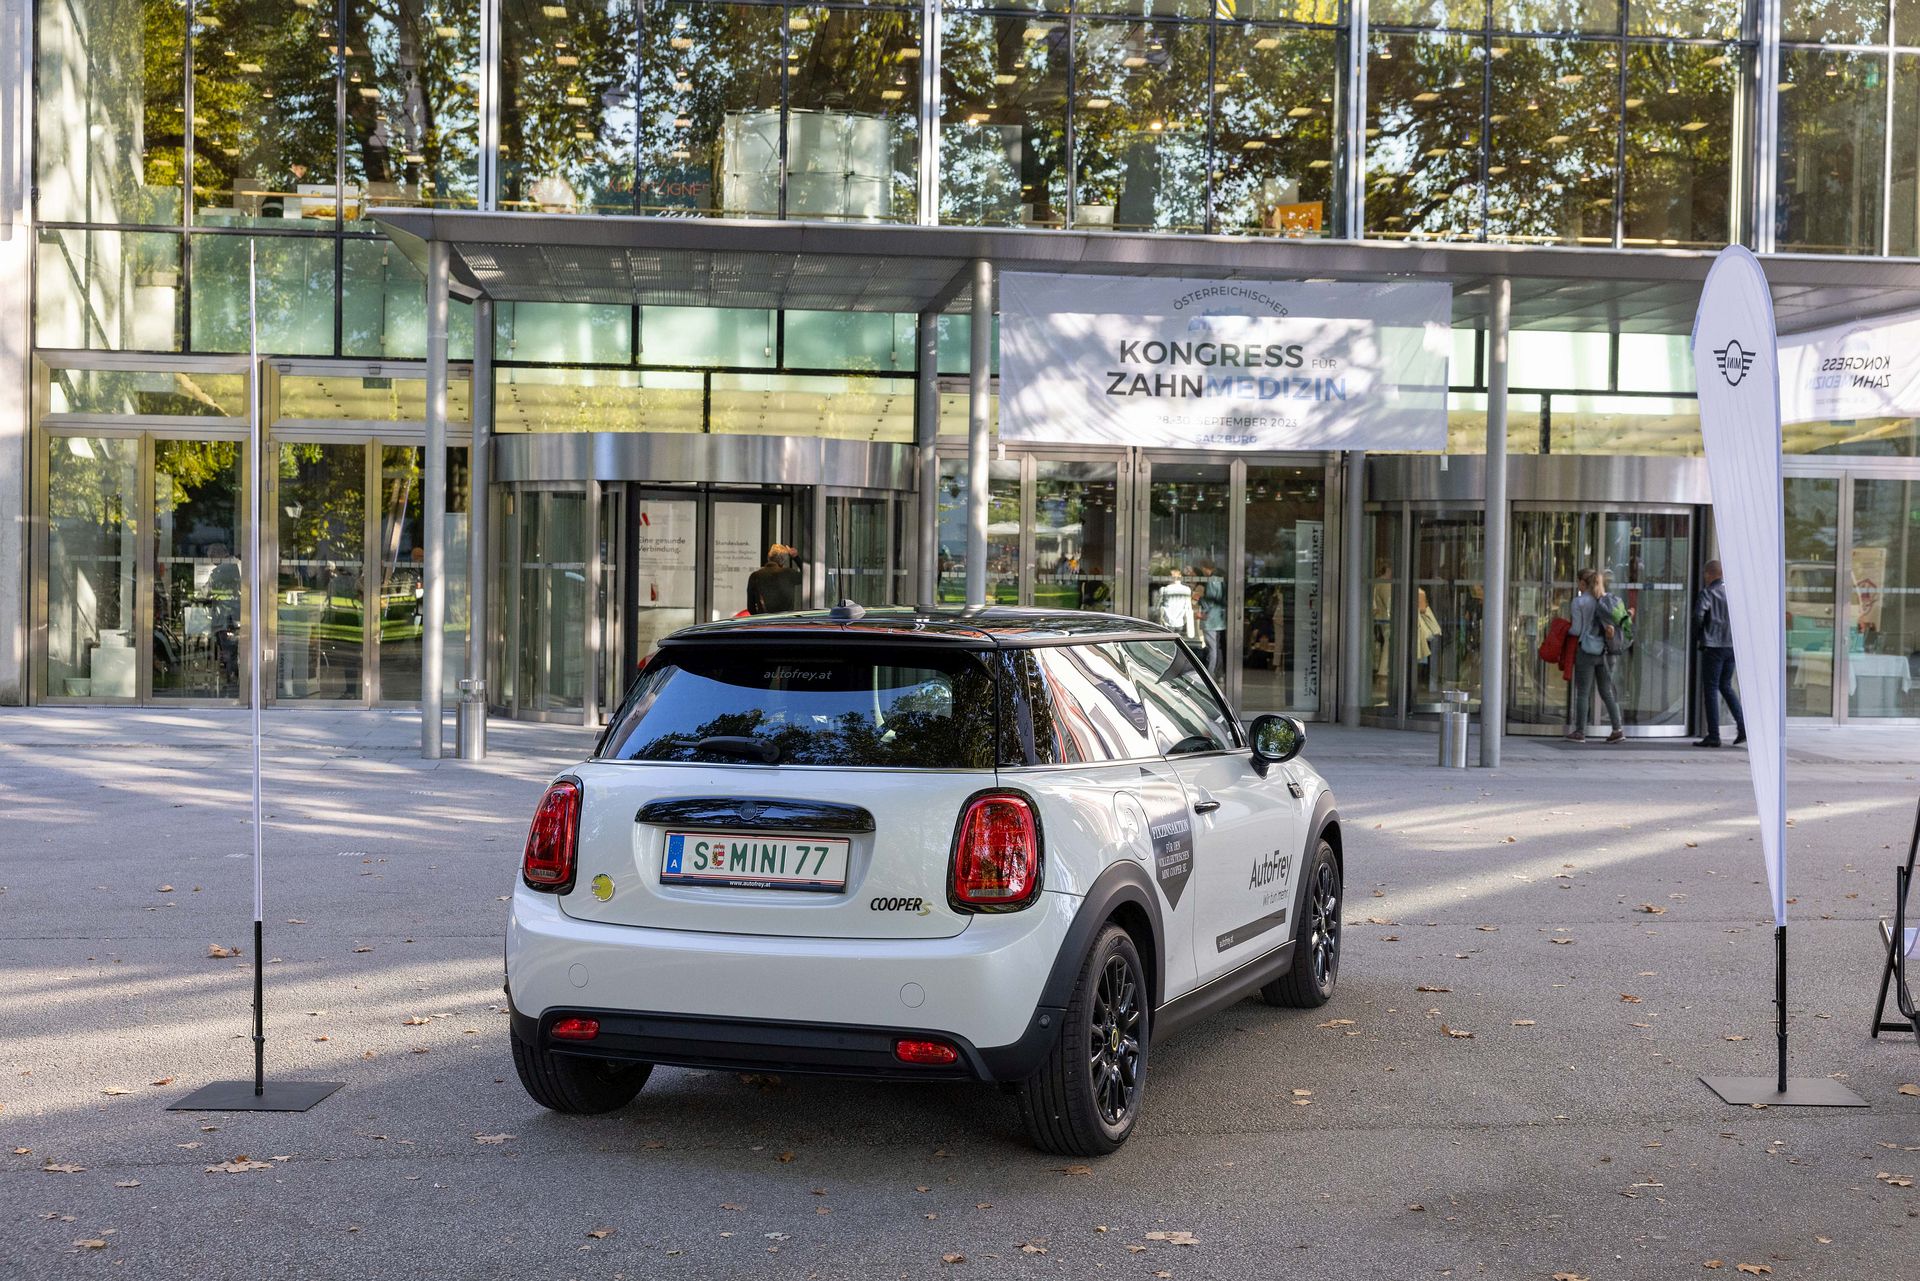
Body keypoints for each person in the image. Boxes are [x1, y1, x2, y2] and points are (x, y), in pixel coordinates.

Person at [1567, 568, 1624, 743]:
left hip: (1587, 650)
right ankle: (1617, 729)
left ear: (1583, 582)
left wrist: (1566, 631)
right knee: (1606, 691)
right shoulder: (1606, 599)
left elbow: (1576, 629)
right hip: (1607, 652)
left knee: (1583, 692)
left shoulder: (1579, 602)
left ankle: (1580, 732)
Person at [1694, 558, 1747, 748]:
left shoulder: (1708, 593)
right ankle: (1743, 727)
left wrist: (1699, 634)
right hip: (1732, 646)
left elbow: (1699, 615)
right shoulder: (1733, 593)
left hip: (1713, 645)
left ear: (1709, 574)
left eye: (1705, 574)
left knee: (1711, 688)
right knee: (1726, 686)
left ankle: (1714, 735)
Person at [747, 544, 799, 615]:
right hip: (785, 619)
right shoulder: (789, 574)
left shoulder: (755, 576)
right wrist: (796, 557)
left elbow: (751, 607)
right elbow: (807, 575)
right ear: (783, 560)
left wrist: (759, 617)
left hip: (764, 620)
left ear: (769, 557)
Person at [1156, 569, 1195, 641]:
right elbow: (1188, 607)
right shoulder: (1187, 590)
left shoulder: (1164, 590)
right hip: (1180, 621)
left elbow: (1157, 606)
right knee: (1178, 642)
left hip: (1167, 622)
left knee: (1168, 642)